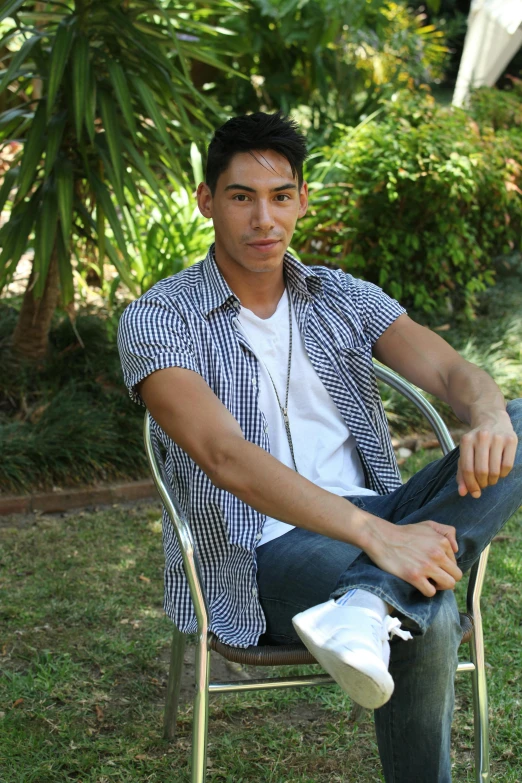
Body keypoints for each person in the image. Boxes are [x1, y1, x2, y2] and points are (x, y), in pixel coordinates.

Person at [118, 111, 522, 782]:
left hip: (376, 509)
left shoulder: (340, 295)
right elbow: (224, 456)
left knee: (518, 416)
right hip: (263, 546)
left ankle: (368, 601)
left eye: (280, 196)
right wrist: (377, 536)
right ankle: (382, 593)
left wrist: (485, 414)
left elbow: (454, 371)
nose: (263, 219)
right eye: (241, 196)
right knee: (430, 602)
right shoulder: (161, 318)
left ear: (303, 200)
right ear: (206, 200)